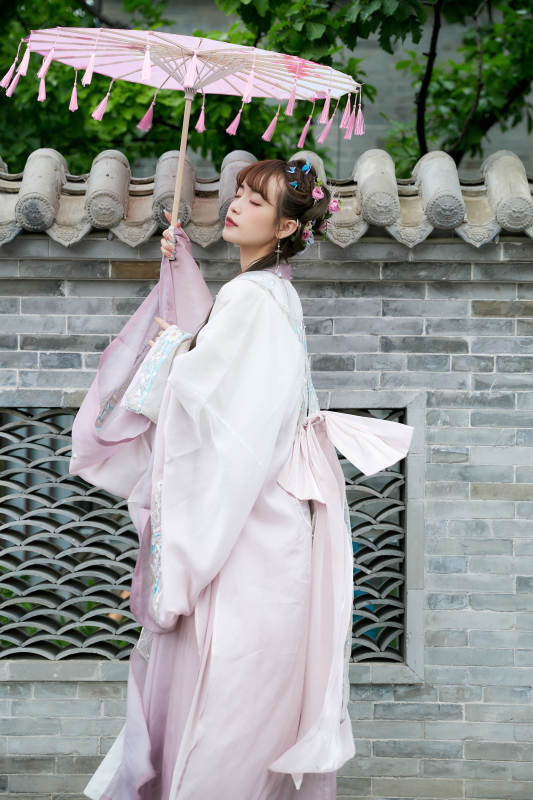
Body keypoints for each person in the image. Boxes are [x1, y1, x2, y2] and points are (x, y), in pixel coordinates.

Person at [70, 157, 414, 800]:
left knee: (227, 697)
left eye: (257, 202)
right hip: (266, 521)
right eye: (240, 195)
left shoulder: (254, 299)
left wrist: (169, 350)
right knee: (244, 695)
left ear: (285, 227)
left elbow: (214, 402)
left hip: (247, 530)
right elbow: (218, 365)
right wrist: (181, 272)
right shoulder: (267, 294)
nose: (235, 206)